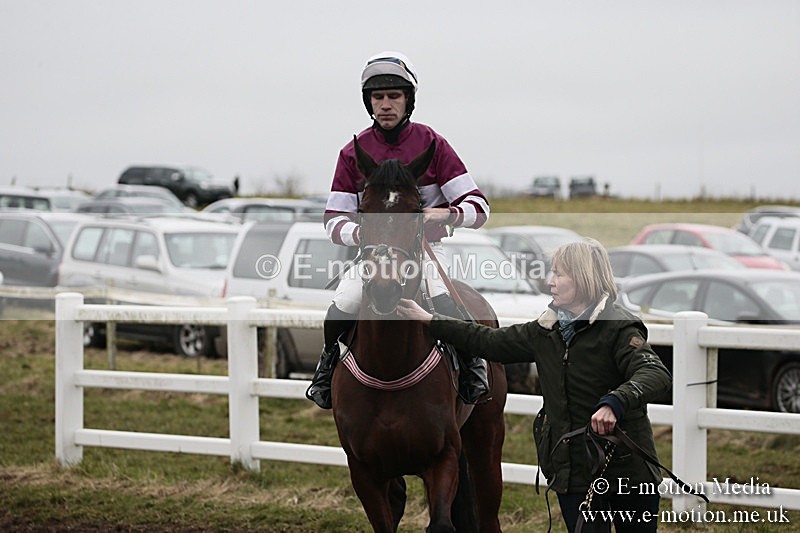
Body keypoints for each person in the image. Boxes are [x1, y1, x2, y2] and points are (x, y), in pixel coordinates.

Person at [397, 239, 672, 533]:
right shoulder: (545, 330)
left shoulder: (618, 326)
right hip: (573, 475)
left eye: (558, 274)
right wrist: (430, 320)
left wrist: (614, 402)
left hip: (627, 473)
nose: (548, 281)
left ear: (583, 278)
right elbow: (487, 341)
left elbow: (654, 374)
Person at [305, 51, 491, 410]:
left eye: (394, 96)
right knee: (342, 304)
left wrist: (447, 215)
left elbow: (479, 207)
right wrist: (362, 235)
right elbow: (334, 219)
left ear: (408, 100)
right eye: (378, 97)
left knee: (445, 303)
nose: (386, 105)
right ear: (368, 102)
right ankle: (327, 368)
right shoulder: (352, 152)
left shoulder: (433, 144)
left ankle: (472, 368)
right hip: (373, 254)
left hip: (426, 251)